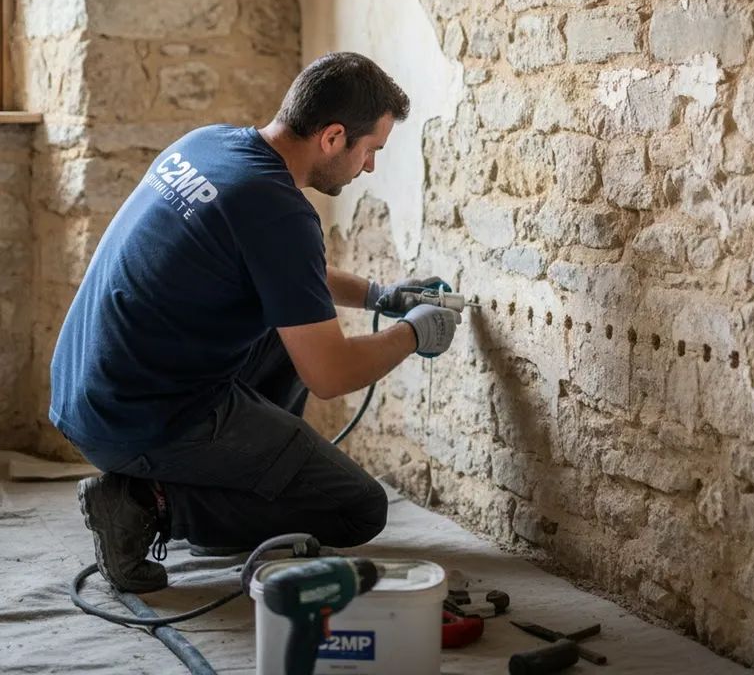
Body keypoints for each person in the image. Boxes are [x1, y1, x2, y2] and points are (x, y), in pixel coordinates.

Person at [49, 52, 461, 593]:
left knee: (289, 321)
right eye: (370, 150)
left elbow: (288, 271)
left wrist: (381, 296)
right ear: (333, 137)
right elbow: (329, 374)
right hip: (136, 416)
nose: (369, 168)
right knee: (358, 508)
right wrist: (413, 333)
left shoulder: (211, 145)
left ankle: (231, 496)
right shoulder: (279, 210)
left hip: (89, 385)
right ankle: (139, 502)